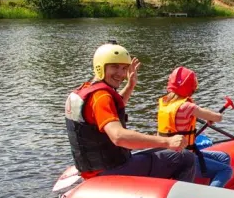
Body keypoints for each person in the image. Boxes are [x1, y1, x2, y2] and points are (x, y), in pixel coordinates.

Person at [65, 41, 196, 181]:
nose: (121, 74)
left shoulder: (86, 89)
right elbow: (119, 137)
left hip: (95, 168)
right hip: (111, 170)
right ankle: (177, 195)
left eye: (124, 68)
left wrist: (130, 85)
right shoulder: (101, 97)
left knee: (162, 151)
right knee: (186, 158)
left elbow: (113, 108)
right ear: (100, 66)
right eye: (114, 67)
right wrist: (167, 141)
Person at [157, 66, 234, 188]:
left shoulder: (165, 103)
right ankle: (208, 196)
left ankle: (212, 186)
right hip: (183, 160)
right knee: (226, 170)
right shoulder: (187, 107)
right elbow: (218, 117)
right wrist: (212, 117)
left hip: (167, 154)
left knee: (224, 157)